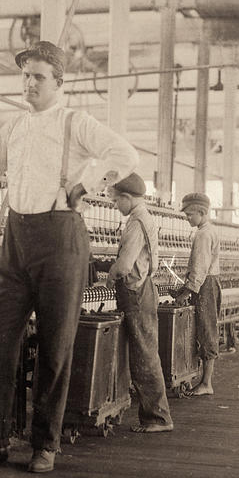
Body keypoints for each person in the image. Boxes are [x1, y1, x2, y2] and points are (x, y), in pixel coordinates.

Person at [0, 40, 138, 473]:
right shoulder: (13, 128)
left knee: (55, 346)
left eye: (39, 77)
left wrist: (86, 185)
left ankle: (46, 443)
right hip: (17, 240)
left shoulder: (74, 122)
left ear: (59, 82)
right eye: (26, 76)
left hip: (61, 238)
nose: (30, 84)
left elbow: (125, 154)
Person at [106, 173, 173, 433]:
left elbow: (123, 266)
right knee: (144, 352)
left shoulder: (136, 223)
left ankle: (159, 418)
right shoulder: (145, 218)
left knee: (144, 355)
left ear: (126, 198)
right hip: (143, 291)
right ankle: (154, 415)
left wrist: (108, 278)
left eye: (115, 201)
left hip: (135, 292)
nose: (115, 206)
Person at [173, 192, 220, 396]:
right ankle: (202, 380)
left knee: (206, 331)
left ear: (201, 212)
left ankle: (206, 383)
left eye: (190, 214)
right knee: (204, 329)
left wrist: (187, 292)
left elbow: (200, 268)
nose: (187, 218)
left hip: (205, 286)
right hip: (207, 284)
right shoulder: (208, 230)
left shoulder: (203, 234)